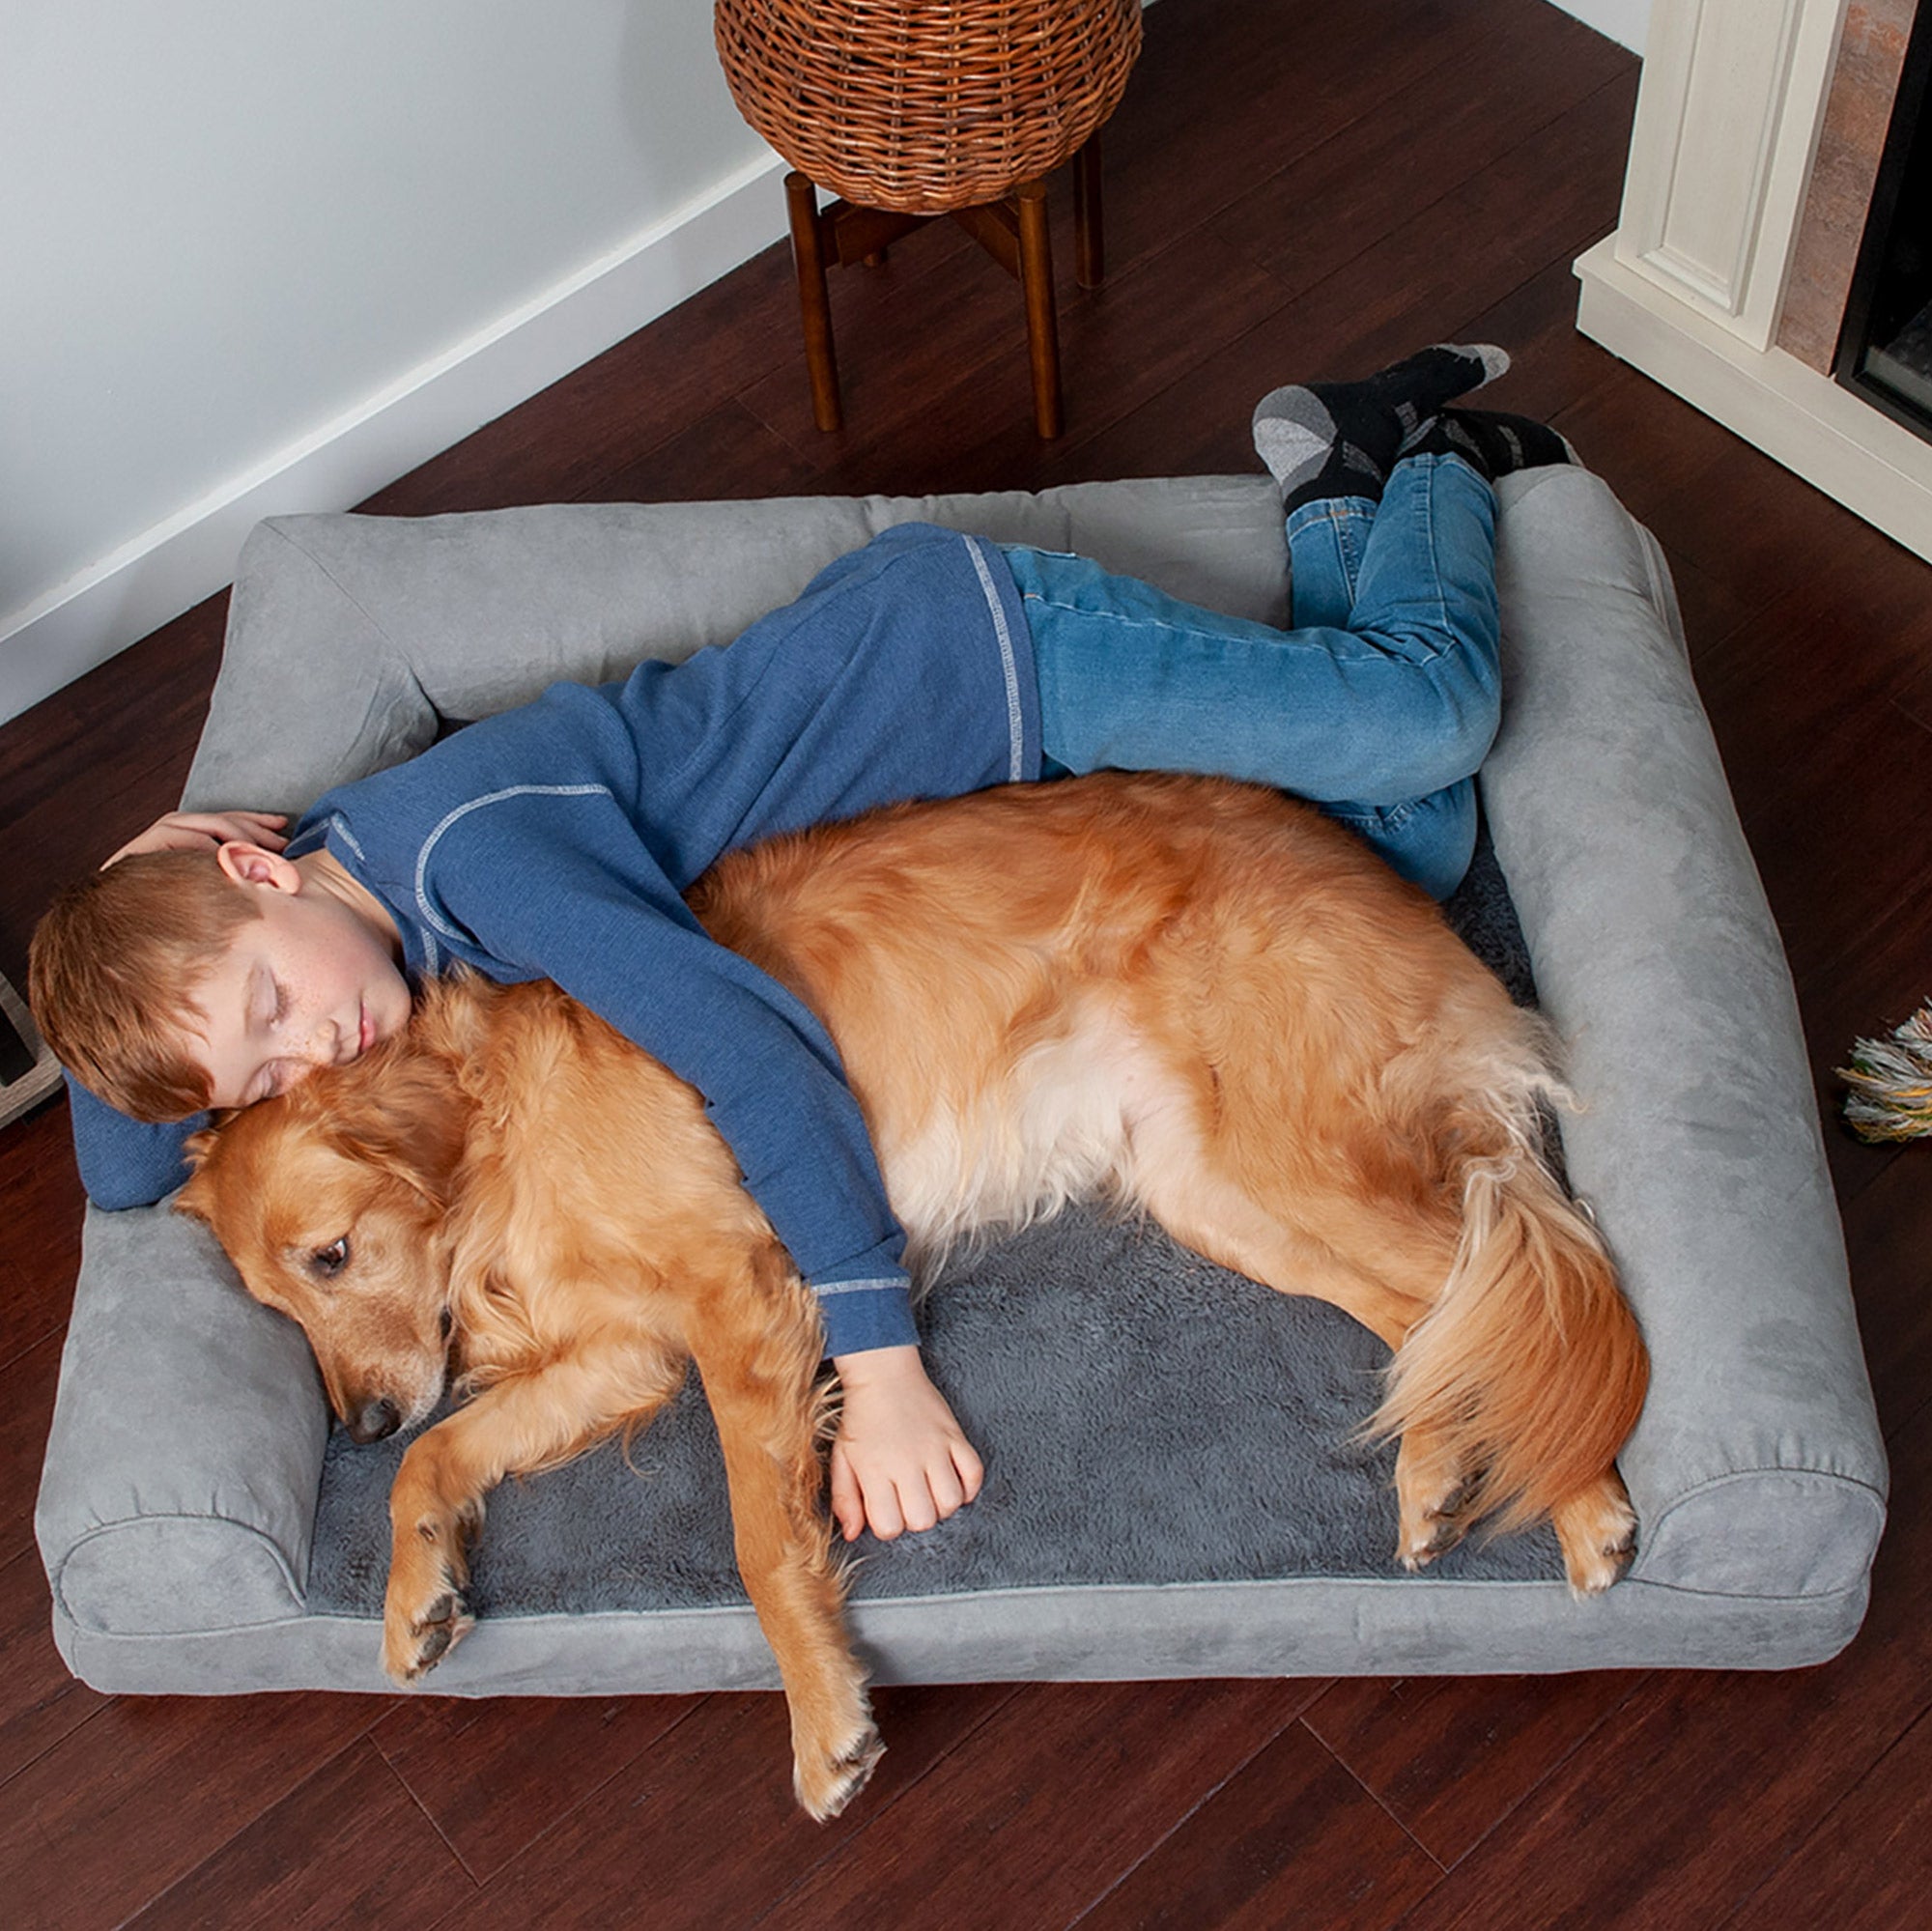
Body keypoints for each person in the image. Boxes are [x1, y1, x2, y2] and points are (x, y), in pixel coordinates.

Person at [30, 345, 1574, 1546]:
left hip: (990, 663)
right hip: (976, 787)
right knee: (1407, 852)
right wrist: (128, 922)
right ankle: (1339, 499)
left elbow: (750, 1049)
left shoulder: (478, 859)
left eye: (271, 1003)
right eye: (264, 1071)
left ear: (262, 865)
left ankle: (1424, 449)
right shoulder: (357, 907)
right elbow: (123, 1166)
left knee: (1424, 716)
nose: (314, 1055)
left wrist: (882, 1366)